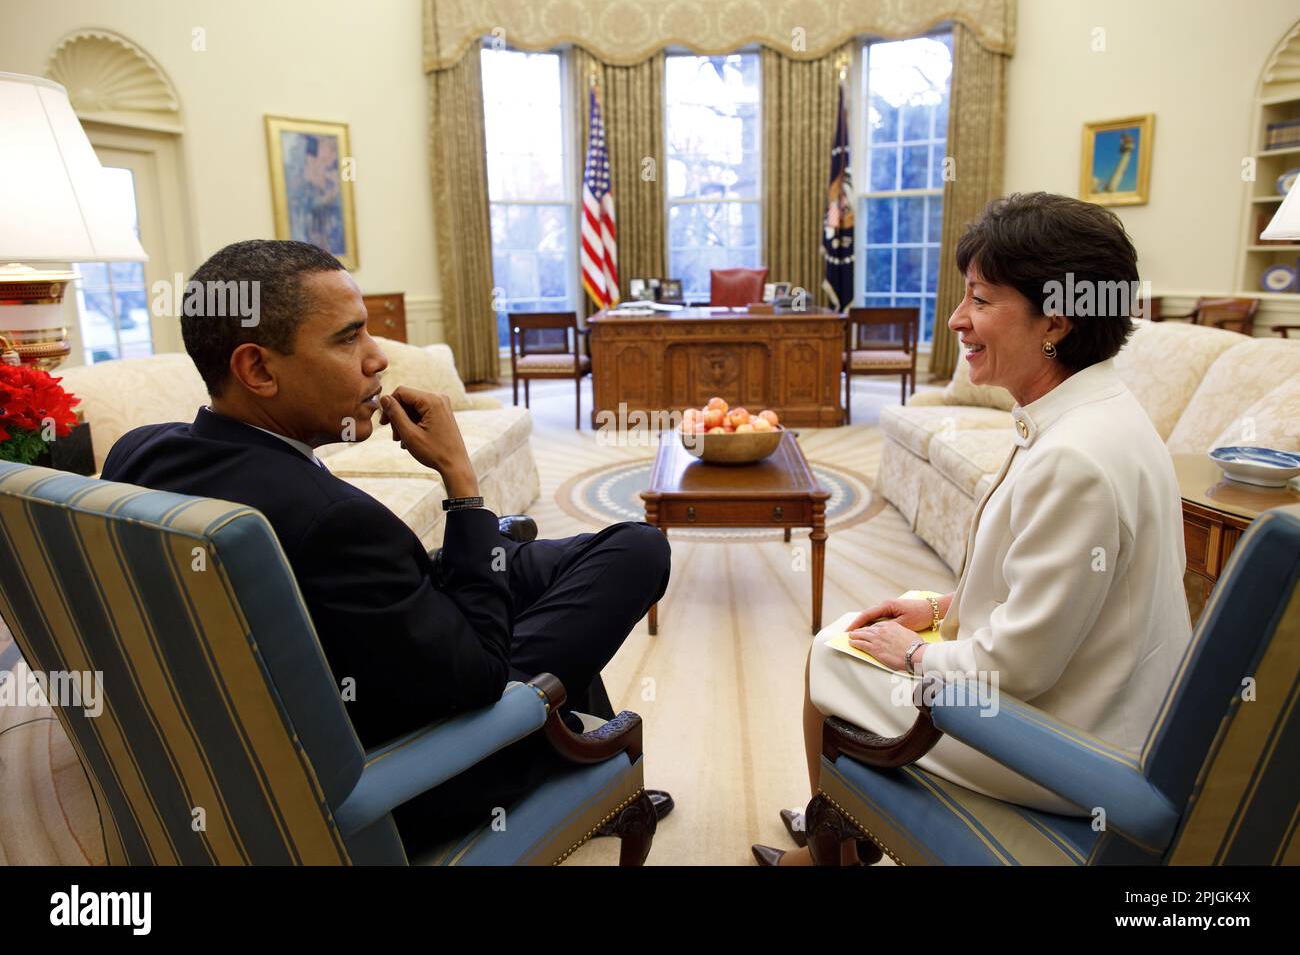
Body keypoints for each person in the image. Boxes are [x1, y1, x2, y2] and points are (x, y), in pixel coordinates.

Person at [100, 239, 673, 850]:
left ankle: (573, 730)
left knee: (598, 552)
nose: (377, 359)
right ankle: (575, 751)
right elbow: (481, 673)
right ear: (258, 370)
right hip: (420, 774)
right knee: (637, 553)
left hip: (349, 649)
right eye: (349, 338)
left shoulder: (141, 451)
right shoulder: (336, 522)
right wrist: (461, 483)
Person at [754, 192, 1193, 865]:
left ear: (1058, 320)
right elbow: (1070, 598)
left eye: (981, 300)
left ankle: (827, 853)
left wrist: (915, 652)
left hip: (1069, 744)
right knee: (854, 641)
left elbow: (1012, 670)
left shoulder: (1076, 459)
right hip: (1108, 706)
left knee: (828, 653)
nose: (958, 320)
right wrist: (941, 607)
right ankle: (841, 825)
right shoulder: (1102, 412)